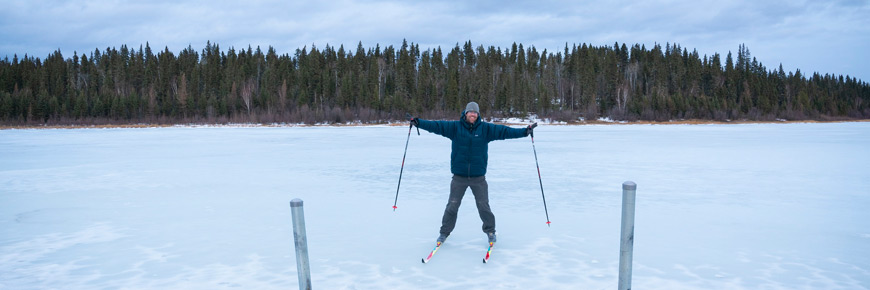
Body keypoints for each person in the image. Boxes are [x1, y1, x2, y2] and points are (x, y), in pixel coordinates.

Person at [410, 101, 537, 245]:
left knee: (483, 206)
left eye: (475, 112)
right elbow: (436, 126)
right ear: (465, 113)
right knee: (452, 206)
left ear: (478, 114)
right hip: (459, 177)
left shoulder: (485, 129)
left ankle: (490, 232)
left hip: (478, 178)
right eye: (470, 112)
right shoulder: (455, 128)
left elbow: (504, 131)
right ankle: (444, 233)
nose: (473, 114)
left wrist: (524, 131)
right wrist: (419, 123)